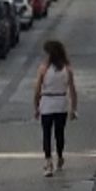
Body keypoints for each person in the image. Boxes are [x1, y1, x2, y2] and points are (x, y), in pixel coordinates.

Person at [34, 39, 78, 177]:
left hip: (47, 103)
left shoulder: (43, 69)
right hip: (61, 103)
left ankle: (48, 162)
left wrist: (36, 106)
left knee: (46, 134)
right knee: (60, 133)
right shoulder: (67, 69)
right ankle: (59, 156)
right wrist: (73, 108)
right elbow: (73, 90)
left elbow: (37, 90)